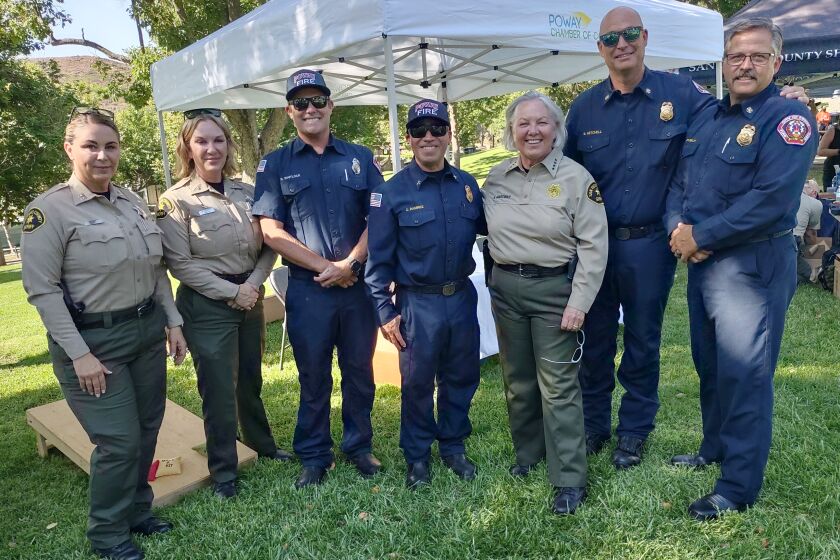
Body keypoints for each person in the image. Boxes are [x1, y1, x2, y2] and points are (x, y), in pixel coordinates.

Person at [564, 6, 810, 470]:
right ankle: (594, 425)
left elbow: (734, 116)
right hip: (595, 245)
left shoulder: (685, 94)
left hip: (650, 245)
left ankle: (634, 431)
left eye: (631, 34)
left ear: (645, 38)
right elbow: (569, 173)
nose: (623, 43)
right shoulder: (583, 108)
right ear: (600, 49)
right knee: (594, 340)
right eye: (612, 38)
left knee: (642, 340)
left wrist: (785, 98)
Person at [666, 18, 818, 520]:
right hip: (704, 265)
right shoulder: (708, 118)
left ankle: (736, 487)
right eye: (736, 57)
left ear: (776, 63)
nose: (745, 65)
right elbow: (679, 184)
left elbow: (772, 201)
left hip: (752, 268)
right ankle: (714, 448)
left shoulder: (788, 120)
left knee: (745, 375)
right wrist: (678, 231)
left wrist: (700, 236)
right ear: (724, 63)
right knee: (709, 363)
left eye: (757, 56)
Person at [21, 107, 188, 560]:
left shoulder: (132, 201)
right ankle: (108, 534)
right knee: (119, 441)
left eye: (110, 146)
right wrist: (79, 354)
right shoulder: (48, 211)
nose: (102, 155)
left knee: (148, 428)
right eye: (91, 145)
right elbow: (43, 291)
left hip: (145, 332)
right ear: (69, 148)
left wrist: (172, 321)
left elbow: (155, 271)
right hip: (92, 343)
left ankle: (138, 511)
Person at [253, 69, 383, 488]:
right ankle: (313, 453)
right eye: (301, 103)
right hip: (309, 291)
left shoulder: (360, 157)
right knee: (312, 374)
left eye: (318, 101)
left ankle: (359, 446)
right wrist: (325, 268)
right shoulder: (274, 164)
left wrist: (349, 264)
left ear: (332, 106)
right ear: (289, 111)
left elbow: (379, 217)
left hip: (357, 284)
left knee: (359, 371)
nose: (311, 109)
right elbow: (270, 231)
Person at [483, 91, 608, 514]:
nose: (532, 130)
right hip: (506, 289)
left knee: (557, 387)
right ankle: (528, 454)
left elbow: (594, 245)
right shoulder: (496, 178)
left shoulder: (577, 179)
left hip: (556, 291)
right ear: (511, 132)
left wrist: (580, 301)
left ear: (556, 129)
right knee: (518, 381)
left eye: (541, 122)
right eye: (523, 124)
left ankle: (570, 478)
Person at [155, 109, 290, 500]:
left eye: (219, 140)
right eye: (201, 141)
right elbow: (179, 264)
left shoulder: (248, 193)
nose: (211, 148)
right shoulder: (175, 200)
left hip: (250, 296)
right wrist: (234, 293)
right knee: (218, 389)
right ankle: (224, 471)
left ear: (229, 144)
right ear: (188, 147)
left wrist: (252, 284)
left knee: (250, 379)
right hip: (208, 306)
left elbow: (270, 243)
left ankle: (262, 445)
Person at [366, 99, 485, 489]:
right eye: (419, 131)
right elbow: (378, 263)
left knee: (462, 375)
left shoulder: (467, 186)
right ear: (409, 139)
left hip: (461, 297)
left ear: (449, 135)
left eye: (437, 129)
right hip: (418, 303)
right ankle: (417, 456)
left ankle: (452, 446)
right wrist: (385, 312)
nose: (428, 137)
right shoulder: (391, 193)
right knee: (417, 384)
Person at [794, 180, 822, 284]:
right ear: (815, 193)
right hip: (791, 240)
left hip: (768, 238)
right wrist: (815, 263)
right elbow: (810, 235)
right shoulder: (815, 203)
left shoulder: (787, 195)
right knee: (811, 276)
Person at [818, 120, 840, 190]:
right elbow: (820, 151)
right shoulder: (833, 131)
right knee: (833, 198)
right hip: (833, 173)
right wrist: (838, 151)